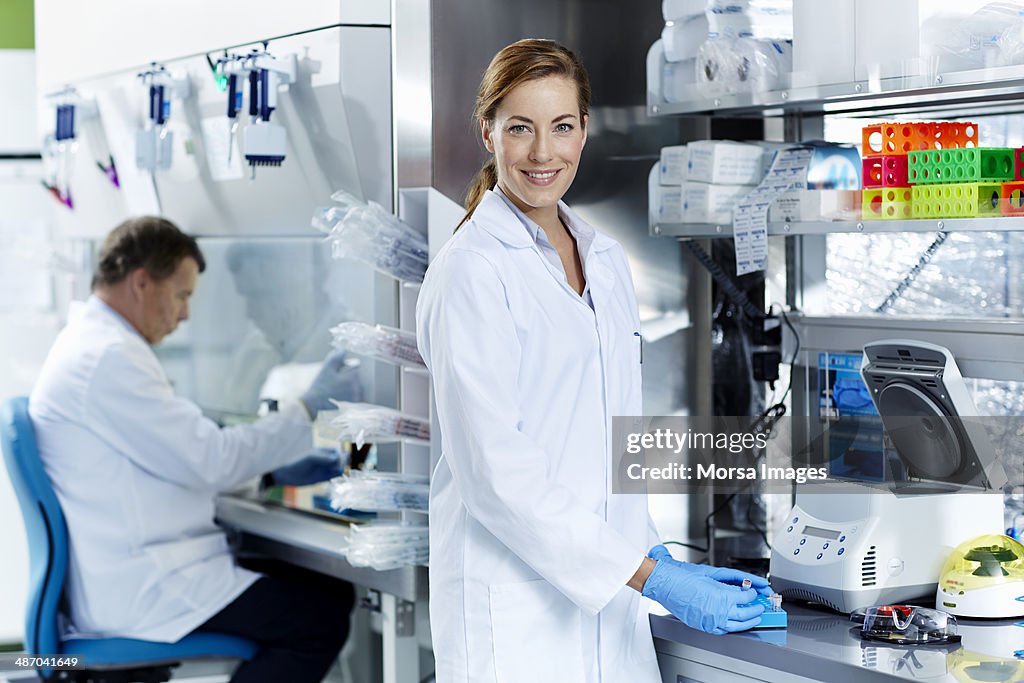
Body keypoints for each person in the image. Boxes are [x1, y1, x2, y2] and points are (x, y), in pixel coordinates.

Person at [416, 39, 771, 682]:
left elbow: (600, 440)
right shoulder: (472, 270)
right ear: (488, 133)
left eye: (561, 126)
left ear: (585, 130)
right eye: (520, 128)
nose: (542, 152)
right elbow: (498, 475)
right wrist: (650, 576)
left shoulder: (603, 260)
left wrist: (650, 545)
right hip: (515, 620)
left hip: (611, 615)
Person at [29, 217, 355, 683]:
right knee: (317, 621)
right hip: (143, 587)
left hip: (135, 567)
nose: (184, 315)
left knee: (324, 591)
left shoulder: (94, 345)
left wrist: (269, 476)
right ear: (142, 282)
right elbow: (211, 459)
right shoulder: (107, 358)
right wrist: (306, 410)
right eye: (181, 295)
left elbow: (170, 462)